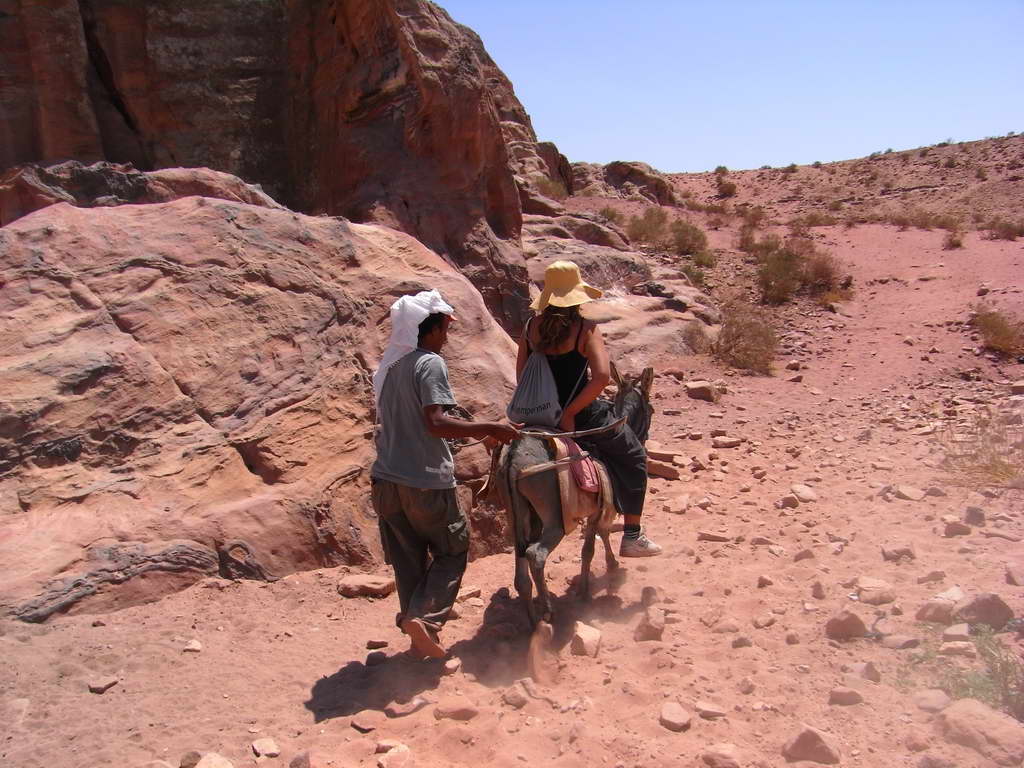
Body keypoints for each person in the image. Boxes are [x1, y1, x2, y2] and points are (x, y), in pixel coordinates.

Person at [371, 289, 519, 659]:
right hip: (425, 481)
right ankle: (426, 620)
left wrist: (478, 430)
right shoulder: (429, 363)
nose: (447, 336)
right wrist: (492, 427)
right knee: (453, 551)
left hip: (387, 481)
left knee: (408, 558)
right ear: (429, 327)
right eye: (444, 328)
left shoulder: (389, 368)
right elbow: (436, 423)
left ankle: (417, 630)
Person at [516, 260, 662, 557]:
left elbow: (521, 375)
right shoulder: (585, 329)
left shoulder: (532, 327)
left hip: (539, 414)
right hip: (581, 415)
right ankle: (632, 535)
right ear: (576, 294)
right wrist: (570, 411)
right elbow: (602, 377)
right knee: (634, 455)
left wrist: (545, 406)